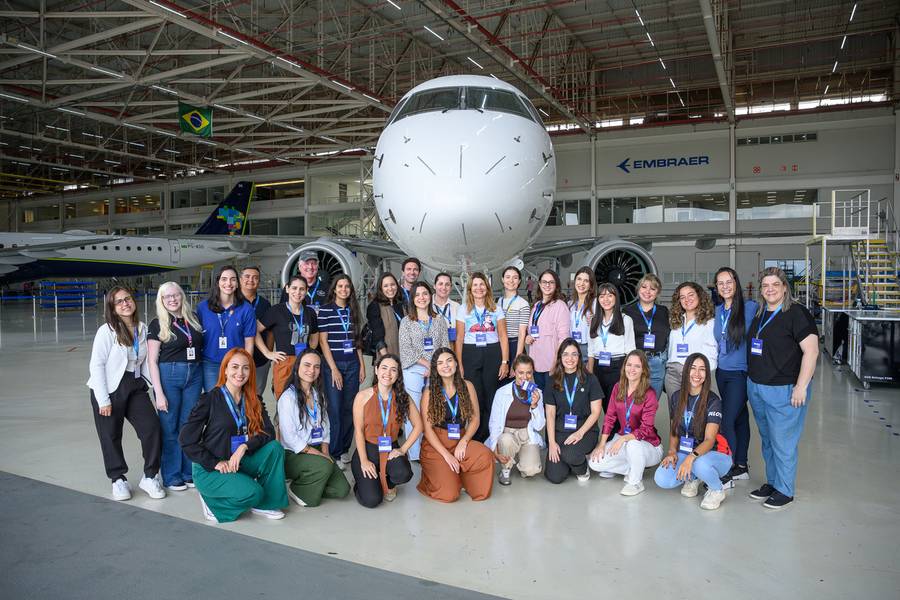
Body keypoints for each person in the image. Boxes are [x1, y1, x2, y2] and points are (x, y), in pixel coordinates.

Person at [179, 348, 288, 523]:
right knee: (254, 492)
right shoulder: (209, 400)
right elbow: (185, 440)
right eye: (235, 367)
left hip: (238, 461)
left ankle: (266, 504)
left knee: (274, 448)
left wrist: (244, 447)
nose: (240, 373)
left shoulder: (254, 399)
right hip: (212, 468)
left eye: (246, 368)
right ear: (225, 370)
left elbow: (268, 432)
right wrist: (214, 463)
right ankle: (213, 504)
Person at [746, 267, 818, 509]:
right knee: (767, 439)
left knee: (783, 441)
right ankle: (774, 482)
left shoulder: (797, 313)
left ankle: (785, 490)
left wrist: (801, 386)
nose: (770, 289)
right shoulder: (760, 312)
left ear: (785, 287)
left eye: (775, 285)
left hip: (784, 388)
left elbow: (811, 351)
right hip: (757, 386)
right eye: (765, 285)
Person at [88, 286, 164, 501]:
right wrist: (103, 399)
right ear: (112, 308)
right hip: (110, 387)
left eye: (128, 299)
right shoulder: (107, 331)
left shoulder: (141, 328)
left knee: (151, 428)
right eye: (119, 301)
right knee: (111, 434)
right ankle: (118, 479)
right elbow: (97, 365)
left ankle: (150, 475)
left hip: (136, 385)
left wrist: (156, 390)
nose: (125, 303)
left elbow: (147, 361)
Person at [653, 353, 732, 510]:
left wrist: (690, 458)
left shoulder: (713, 401)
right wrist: (672, 452)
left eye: (702, 369)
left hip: (716, 455)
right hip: (687, 451)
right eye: (693, 368)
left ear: (707, 374)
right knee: (662, 478)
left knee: (699, 464)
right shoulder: (677, 397)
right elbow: (674, 429)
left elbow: (710, 440)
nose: (697, 374)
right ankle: (694, 478)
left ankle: (717, 490)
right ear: (686, 371)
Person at [417, 348, 494, 502]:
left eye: (449, 360)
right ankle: (431, 478)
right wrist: (446, 455)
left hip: (459, 439)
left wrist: (464, 441)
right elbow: (427, 430)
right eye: (440, 363)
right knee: (449, 495)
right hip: (436, 445)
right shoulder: (429, 393)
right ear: (435, 369)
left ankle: (458, 476)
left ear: (456, 364)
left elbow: (475, 419)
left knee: (484, 455)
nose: (445, 365)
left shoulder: (468, 386)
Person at [148, 281, 204, 491]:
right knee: (169, 427)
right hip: (169, 376)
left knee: (188, 425)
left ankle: (188, 472)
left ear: (182, 296)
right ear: (161, 300)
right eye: (167, 297)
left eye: (176, 295)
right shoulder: (157, 324)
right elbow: (152, 361)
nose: (172, 300)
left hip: (194, 375)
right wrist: (159, 394)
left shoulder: (194, 319)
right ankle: (172, 476)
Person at [278, 349, 350, 507]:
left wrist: (325, 451)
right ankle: (297, 489)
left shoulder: (318, 394)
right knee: (324, 468)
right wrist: (321, 457)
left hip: (316, 448)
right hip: (293, 454)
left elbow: (325, 425)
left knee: (342, 490)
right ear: (297, 367)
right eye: (307, 365)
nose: (312, 370)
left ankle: (312, 479)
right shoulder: (288, 398)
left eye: (316, 367)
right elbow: (290, 438)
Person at [350, 354, 422, 508]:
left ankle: (387, 481)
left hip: (391, 448)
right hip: (368, 450)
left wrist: (402, 449)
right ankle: (361, 483)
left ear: (398, 375)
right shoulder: (362, 397)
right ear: (376, 370)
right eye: (384, 368)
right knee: (372, 500)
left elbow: (419, 426)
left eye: (393, 370)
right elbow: (359, 431)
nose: (388, 373)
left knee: (404, 473)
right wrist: (363, 461)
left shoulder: (403, 397)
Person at [588, 350, 662, 496]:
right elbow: (609, 417)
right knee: (594, 462)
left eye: (637, 366)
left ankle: (635, 482)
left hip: (647, 444)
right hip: (624, 439)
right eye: (629, 365)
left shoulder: (650, 393)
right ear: (624, 367)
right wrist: (602, 444)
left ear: (643, 370)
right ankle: (634, 467)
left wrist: (623, 439)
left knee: (633, 445)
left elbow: (645, 429)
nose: (632, 369)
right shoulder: (618, 388)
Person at [713, 267, 758, 488]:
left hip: (740, 374)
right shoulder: (718, 311)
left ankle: (727, 469)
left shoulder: (750, 308)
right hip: (722, 373)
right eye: (720, 283)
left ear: (736, 283)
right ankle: (741, 466)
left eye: (729, 281)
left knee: (727, 420)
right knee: (739, 418)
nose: (725, 286)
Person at [455, 272, 509, 442]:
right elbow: (459, 338)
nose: (479, 288)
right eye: (475, 285)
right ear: (470, 289)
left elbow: (503, 336)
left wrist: (505, 361)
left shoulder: (495, 308)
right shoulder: (463, 309)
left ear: (487, 288)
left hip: (492, 353)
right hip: (470, 353)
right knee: (475, 394)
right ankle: (476, 435)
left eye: (482, 285)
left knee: (491, 394)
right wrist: (460, 364)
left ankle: (491, 434)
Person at [317, 274, 366, 464]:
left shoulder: (354, 310)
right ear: (334, 289)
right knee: (335, 409)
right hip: (333, 365)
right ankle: (334, 451)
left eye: (347, 286)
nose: (344, 289)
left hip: (353, 364)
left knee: (349, 408)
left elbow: (357, 341)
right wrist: (333, 369)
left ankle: (345, 448)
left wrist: (361, 365)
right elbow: (323, 341)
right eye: (340, 286)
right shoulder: (326, 310)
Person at [399, 282, 449, 460]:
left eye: (425, 294)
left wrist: (434, 366)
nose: (421, 297)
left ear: (430, 296)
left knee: (434, 409)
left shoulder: (439, 319)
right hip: (413, 370)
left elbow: (444, 346)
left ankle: (432, 448)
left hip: (437, 370)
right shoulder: (406, 321)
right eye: (417, 294)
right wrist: (427, 365)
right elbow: (405, 349)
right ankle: (414, 453)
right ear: (413, 299)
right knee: (414, 411)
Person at [543, 339, 604, 484]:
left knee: (570, 454)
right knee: (555, 476)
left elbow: (596, 412)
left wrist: (579, 433)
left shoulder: (590, 379)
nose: (570, 359)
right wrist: (551, 443)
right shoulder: (552, 381)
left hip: (585, 431)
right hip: (559, 432)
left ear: (579, 357)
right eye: (565, 354)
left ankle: (582, 468)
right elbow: (550, 414)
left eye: (574, 354)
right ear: (560, 357)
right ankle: (571, 460)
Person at [485, 354, 546, 486]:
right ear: (514, 372)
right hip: (507, 434)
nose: (525, 377)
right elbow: (494, 423)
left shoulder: (537, 393)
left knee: (531, 470)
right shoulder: (502, 392)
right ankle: (505, 470)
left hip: (526, 434)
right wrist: (494, 449)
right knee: (506, 441)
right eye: (521, 372)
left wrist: (535, 406)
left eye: (529, 372)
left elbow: (540, 426)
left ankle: (521, 458)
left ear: (532, 372)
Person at [257, 275, 319, 402]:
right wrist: (267, 353)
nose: (298, 292)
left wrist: (309, 354)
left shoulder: (310, 313)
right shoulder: (276, 310)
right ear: (287, 289)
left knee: (305, 401)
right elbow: (253, 330)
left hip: (304, 363)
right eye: (294, 288)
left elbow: (314, 336)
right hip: (284, 362)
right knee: (284, 401)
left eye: (302, 289)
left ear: (306, 291)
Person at [196, 265, 256, 392]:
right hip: (211, 364)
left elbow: (249, 342)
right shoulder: (203, 308)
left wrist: (246, 366)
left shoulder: (246, 309)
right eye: (224, 279)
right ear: (218, 282)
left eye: (233, 279)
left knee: (234, 402)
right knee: (214, 401)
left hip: (236, 366)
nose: (228, 283)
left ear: (238, 283)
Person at [587, 283, 635, 412]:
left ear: (616, 298)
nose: (606, 299)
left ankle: (614, 433)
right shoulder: (593, 321)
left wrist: (627, 374)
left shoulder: (626, 320)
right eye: (602, 296)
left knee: (615, 408)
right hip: (598, 368)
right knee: (602, 407)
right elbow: (591, 350)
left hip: (617, 368)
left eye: (610, 295)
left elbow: (630, 350)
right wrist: (590, 374)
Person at [666, 281, 718, 397]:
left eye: (691, 295)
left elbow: (712, 351)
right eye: (682, 297)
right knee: (675, 412)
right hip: (673, 373)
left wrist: (701, 373)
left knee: (694, 411)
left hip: (694, 373)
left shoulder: (709, 323)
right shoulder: (676, 321)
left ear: (699, 296)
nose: (686, 299)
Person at [624, 274, 669, 400]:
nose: (648, 291)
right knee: (634, 404)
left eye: (653, 289)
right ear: (638, 289)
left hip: (657, 363)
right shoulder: (627, 311)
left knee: (651, 405)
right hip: (636, 362)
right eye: (644, 287)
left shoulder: (664, 311)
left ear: (657, 292)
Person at [523, 269, 570, 389]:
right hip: (536, 362)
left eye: (551, 282)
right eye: (544, 282)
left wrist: (556, 362)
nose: (547, 285)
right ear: (539, 284)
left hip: (551, 364)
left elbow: (563, 338)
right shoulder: (536, 306)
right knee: (541, 399)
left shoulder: (560, 305)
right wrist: (527, 337)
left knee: (551, 402)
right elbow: (531, 330)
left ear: (556, 285)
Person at [240, 266, 273, 399]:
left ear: (259, 282)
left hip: (260, 361)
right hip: (238, 359)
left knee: (256, 397)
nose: (251, 280)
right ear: (241, 279)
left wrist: (268, 357)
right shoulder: (233, 302)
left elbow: (271, 331)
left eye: (255, 278)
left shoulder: (265, 304)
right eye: (247, 277)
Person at [496, 266, 530, 367]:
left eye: (515, 278)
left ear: (519, 281)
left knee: (515, 379)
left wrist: (517, 359)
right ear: (502, 279)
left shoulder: (523, 304)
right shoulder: (499, 302)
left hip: (515, 345)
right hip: (500, 344)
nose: (511, 280)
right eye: (507, 277)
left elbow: (522, 333)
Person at [366, 272, 405, 356]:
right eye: (386, 286)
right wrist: (386, 358)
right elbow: (377, 336)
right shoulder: (375, 306)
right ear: (381, 288)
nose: (390, 288)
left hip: (405, 355)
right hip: (387, 356)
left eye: (392, 284)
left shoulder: (400, 304)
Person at [568, 267, 596, 361]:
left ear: (591, 284)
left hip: (587, 347)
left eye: (586, 281)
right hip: (571, 346)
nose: (581, 283)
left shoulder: (595, 303)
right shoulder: (570, 304)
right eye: (579, 279)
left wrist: (595, 320)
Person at [433, 272, 460, 344]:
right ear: (434, 286)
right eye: (440, 284)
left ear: (451, 287)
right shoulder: (426, 306)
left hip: (451, 347)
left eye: (447, 284)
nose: (444, 288)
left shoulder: (457, 307)